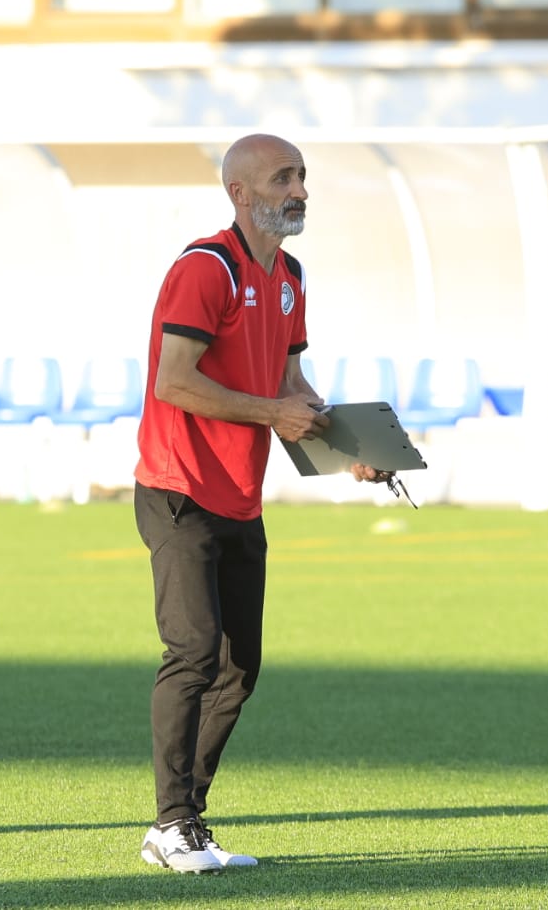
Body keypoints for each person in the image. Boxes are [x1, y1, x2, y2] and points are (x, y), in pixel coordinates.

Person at [133, 133, 386, 872]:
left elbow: (289, 386)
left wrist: (349, 448)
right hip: (178, 487)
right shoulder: (204, 268)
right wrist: (274, 412)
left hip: (240, 496)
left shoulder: (290, 275)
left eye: (301, 176)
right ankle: (171, 823)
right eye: (283, 178)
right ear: (240, 193)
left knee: (240, 667)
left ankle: (185, 823)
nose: (299, 190)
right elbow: (174, 382)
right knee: (193, 652)